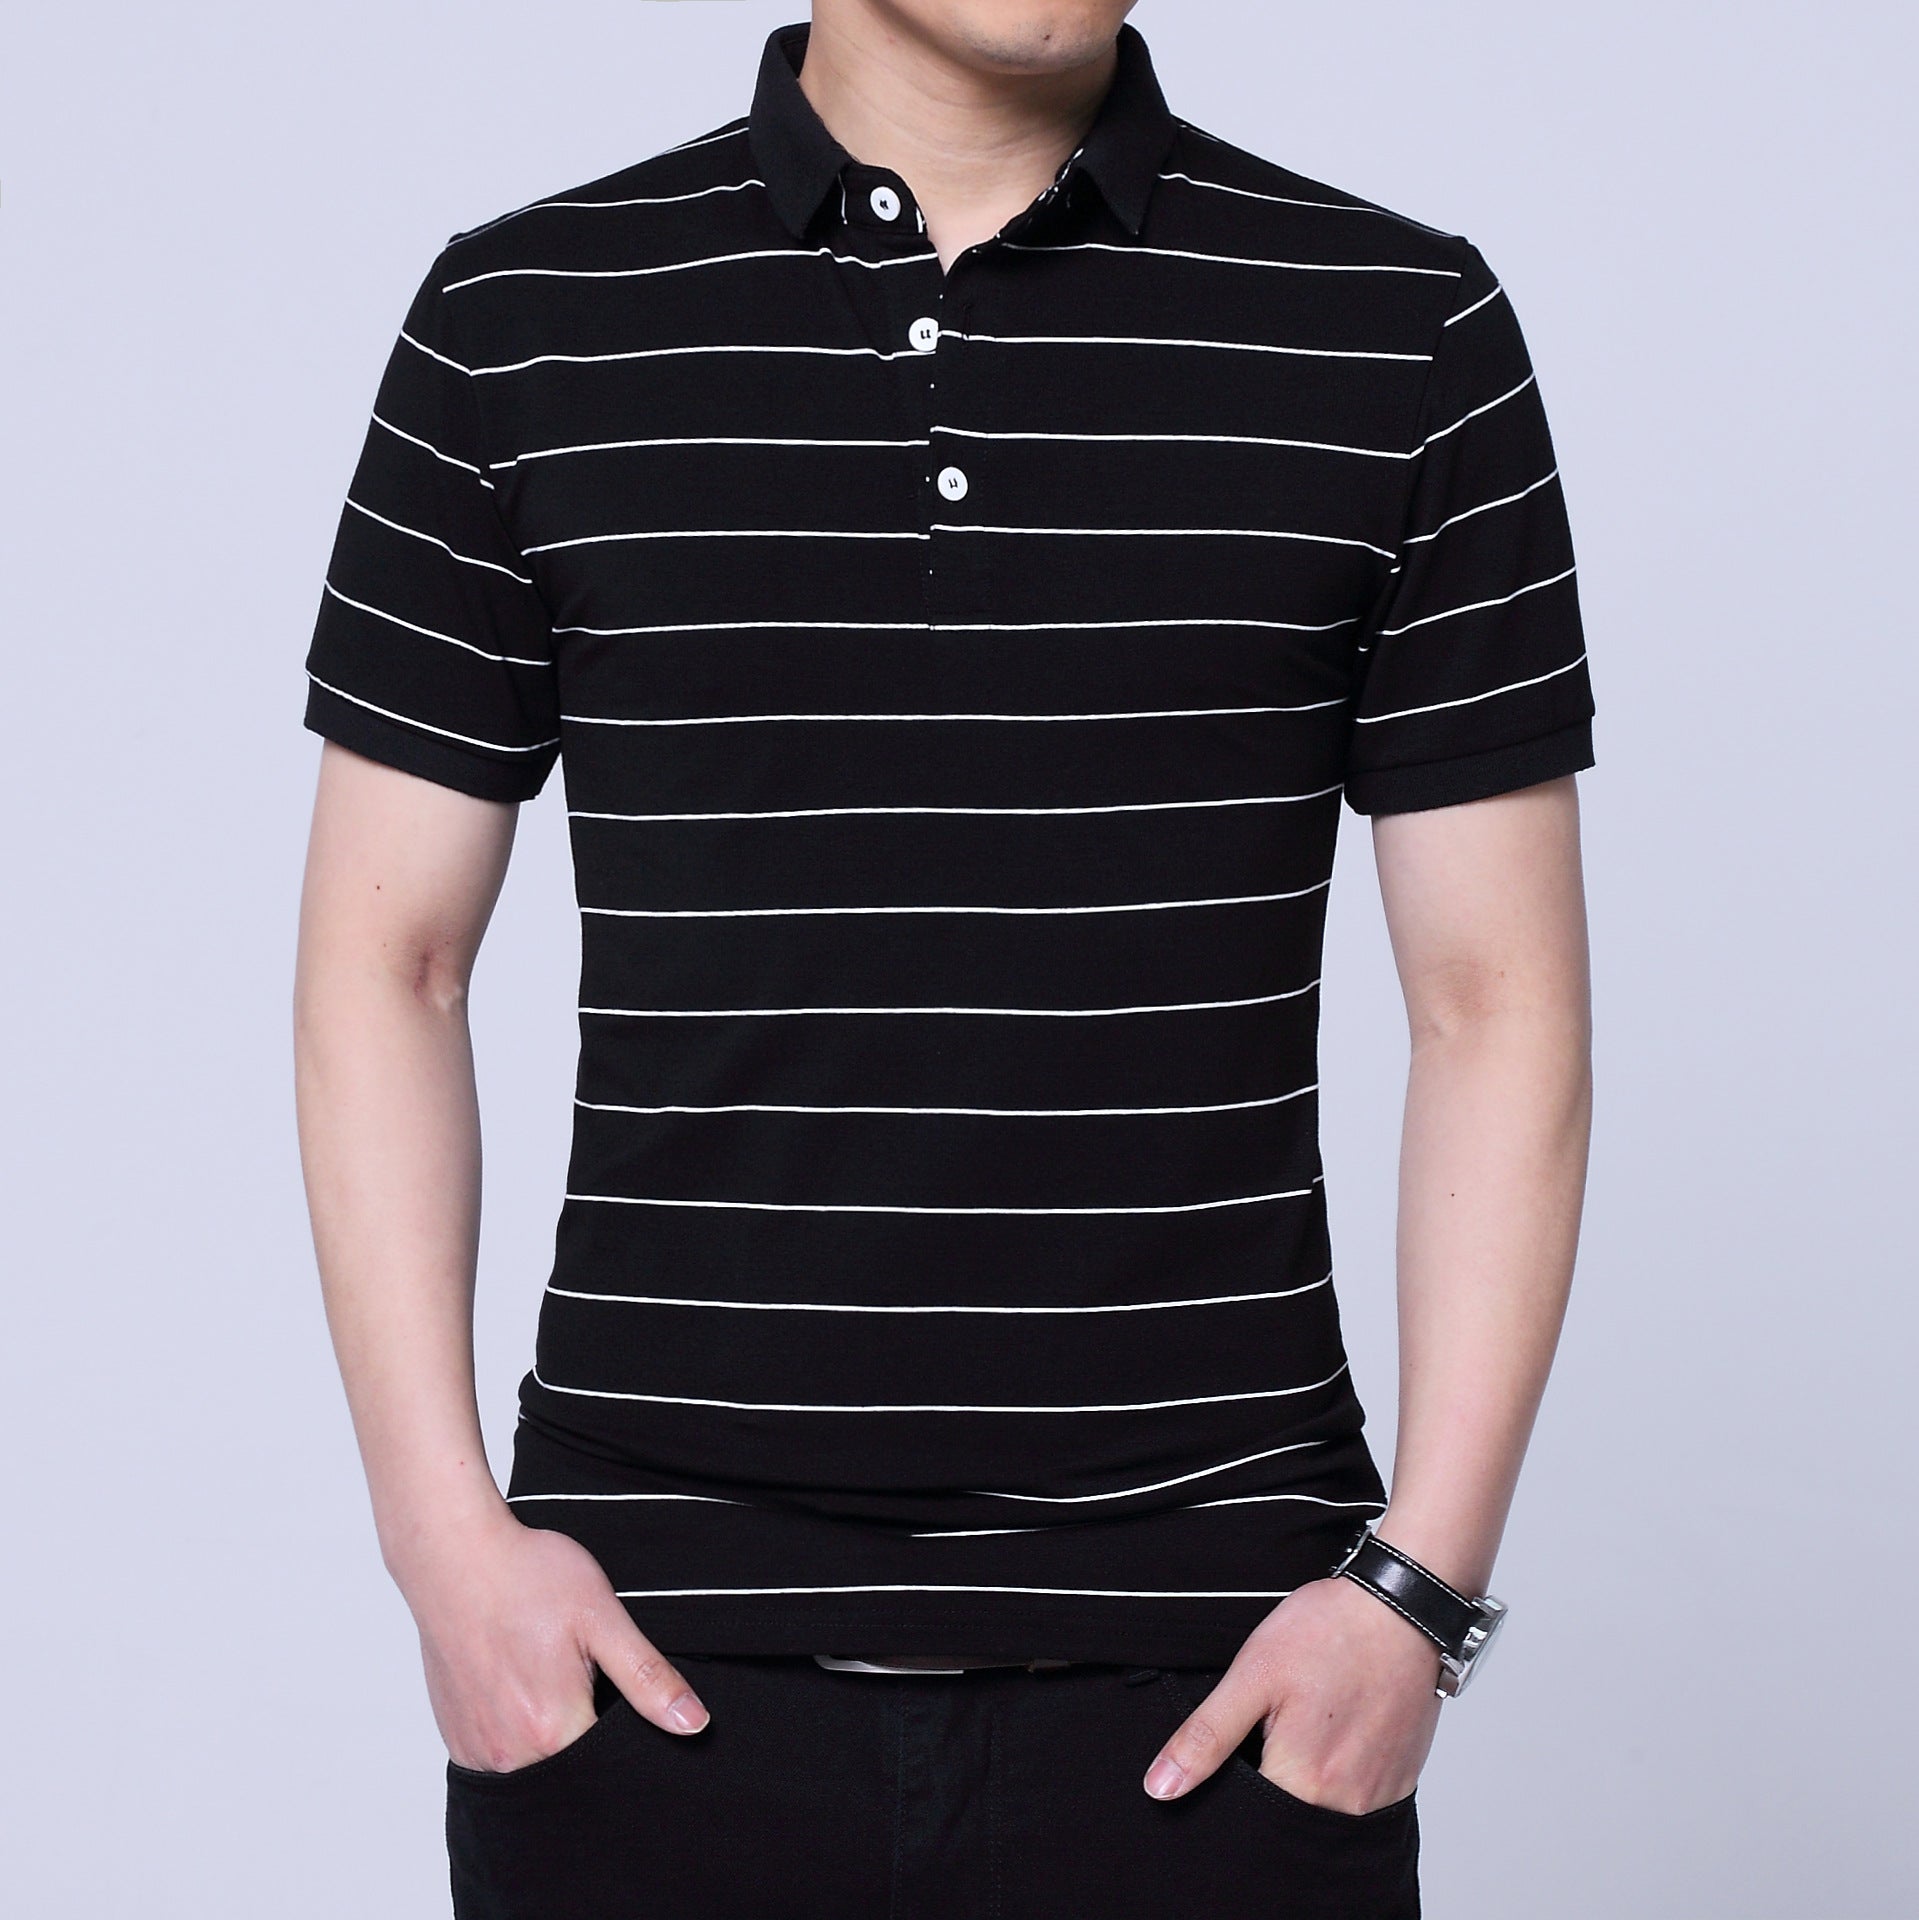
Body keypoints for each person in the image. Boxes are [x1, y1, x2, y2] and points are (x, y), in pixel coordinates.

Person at [293, 4, 1594, 1914]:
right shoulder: (524, 321)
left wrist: (1418, 1596)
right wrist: (442, 1553)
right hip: (653, 1688)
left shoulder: (1399, 331)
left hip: (1223, 1695)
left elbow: (1500, 1005)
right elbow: (384, 966)